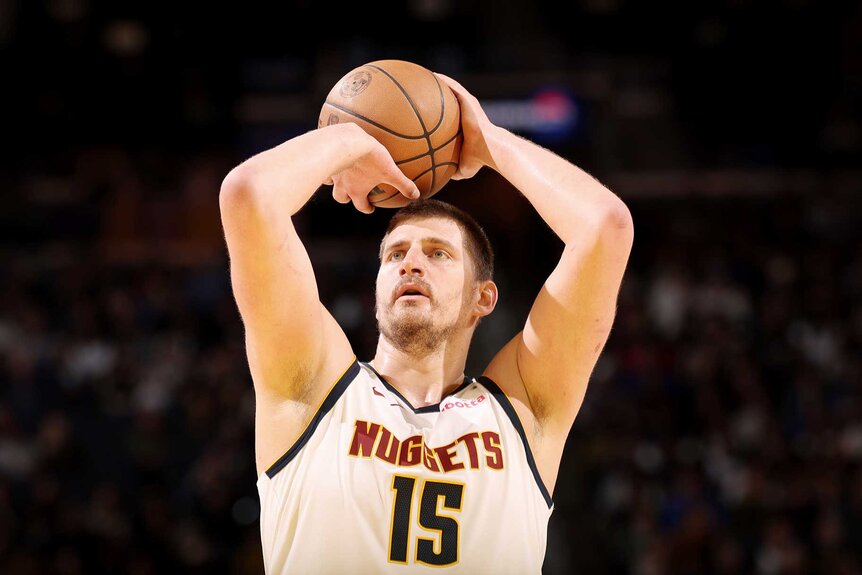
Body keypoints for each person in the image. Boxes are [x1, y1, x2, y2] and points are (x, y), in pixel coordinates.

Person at [219, 72, 634, 574]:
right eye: (394, 254)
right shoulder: (312, 387)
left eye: (438, 253)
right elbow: (247, 195)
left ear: (483, 298)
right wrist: (351, 139)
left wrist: (489, 141)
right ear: (375, 291)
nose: (410, 264)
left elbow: (605, 227)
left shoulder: (525, 409)